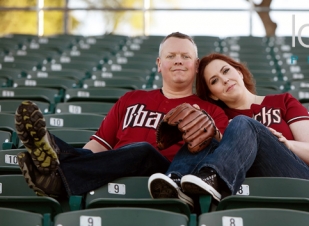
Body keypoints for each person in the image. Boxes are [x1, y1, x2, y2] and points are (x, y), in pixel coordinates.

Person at [15, 33, 229, 200]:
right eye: (171, 56)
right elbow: (97, 148)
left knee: (143, 150)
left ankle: (58, 166)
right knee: (128, 151)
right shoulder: (130, 99)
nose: (178, 61)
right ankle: (57, 159)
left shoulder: (211, 111)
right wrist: (77, 156)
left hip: (166, 179)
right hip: (113, 171)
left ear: (197, 64)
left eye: (185, 56)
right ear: (158, 64)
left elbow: (216, 161)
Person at [148, 53, 309, 204]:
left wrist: (288, 144)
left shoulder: (283, 101)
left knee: (242, 122)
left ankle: (213, 177)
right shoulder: (218, 118)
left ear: (239, 72)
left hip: (292, 177)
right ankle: (175, 182)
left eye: (226, 71)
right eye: (215, 81)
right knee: (202, 134)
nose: (224, 80)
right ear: (212, 94)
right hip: (242, 182)